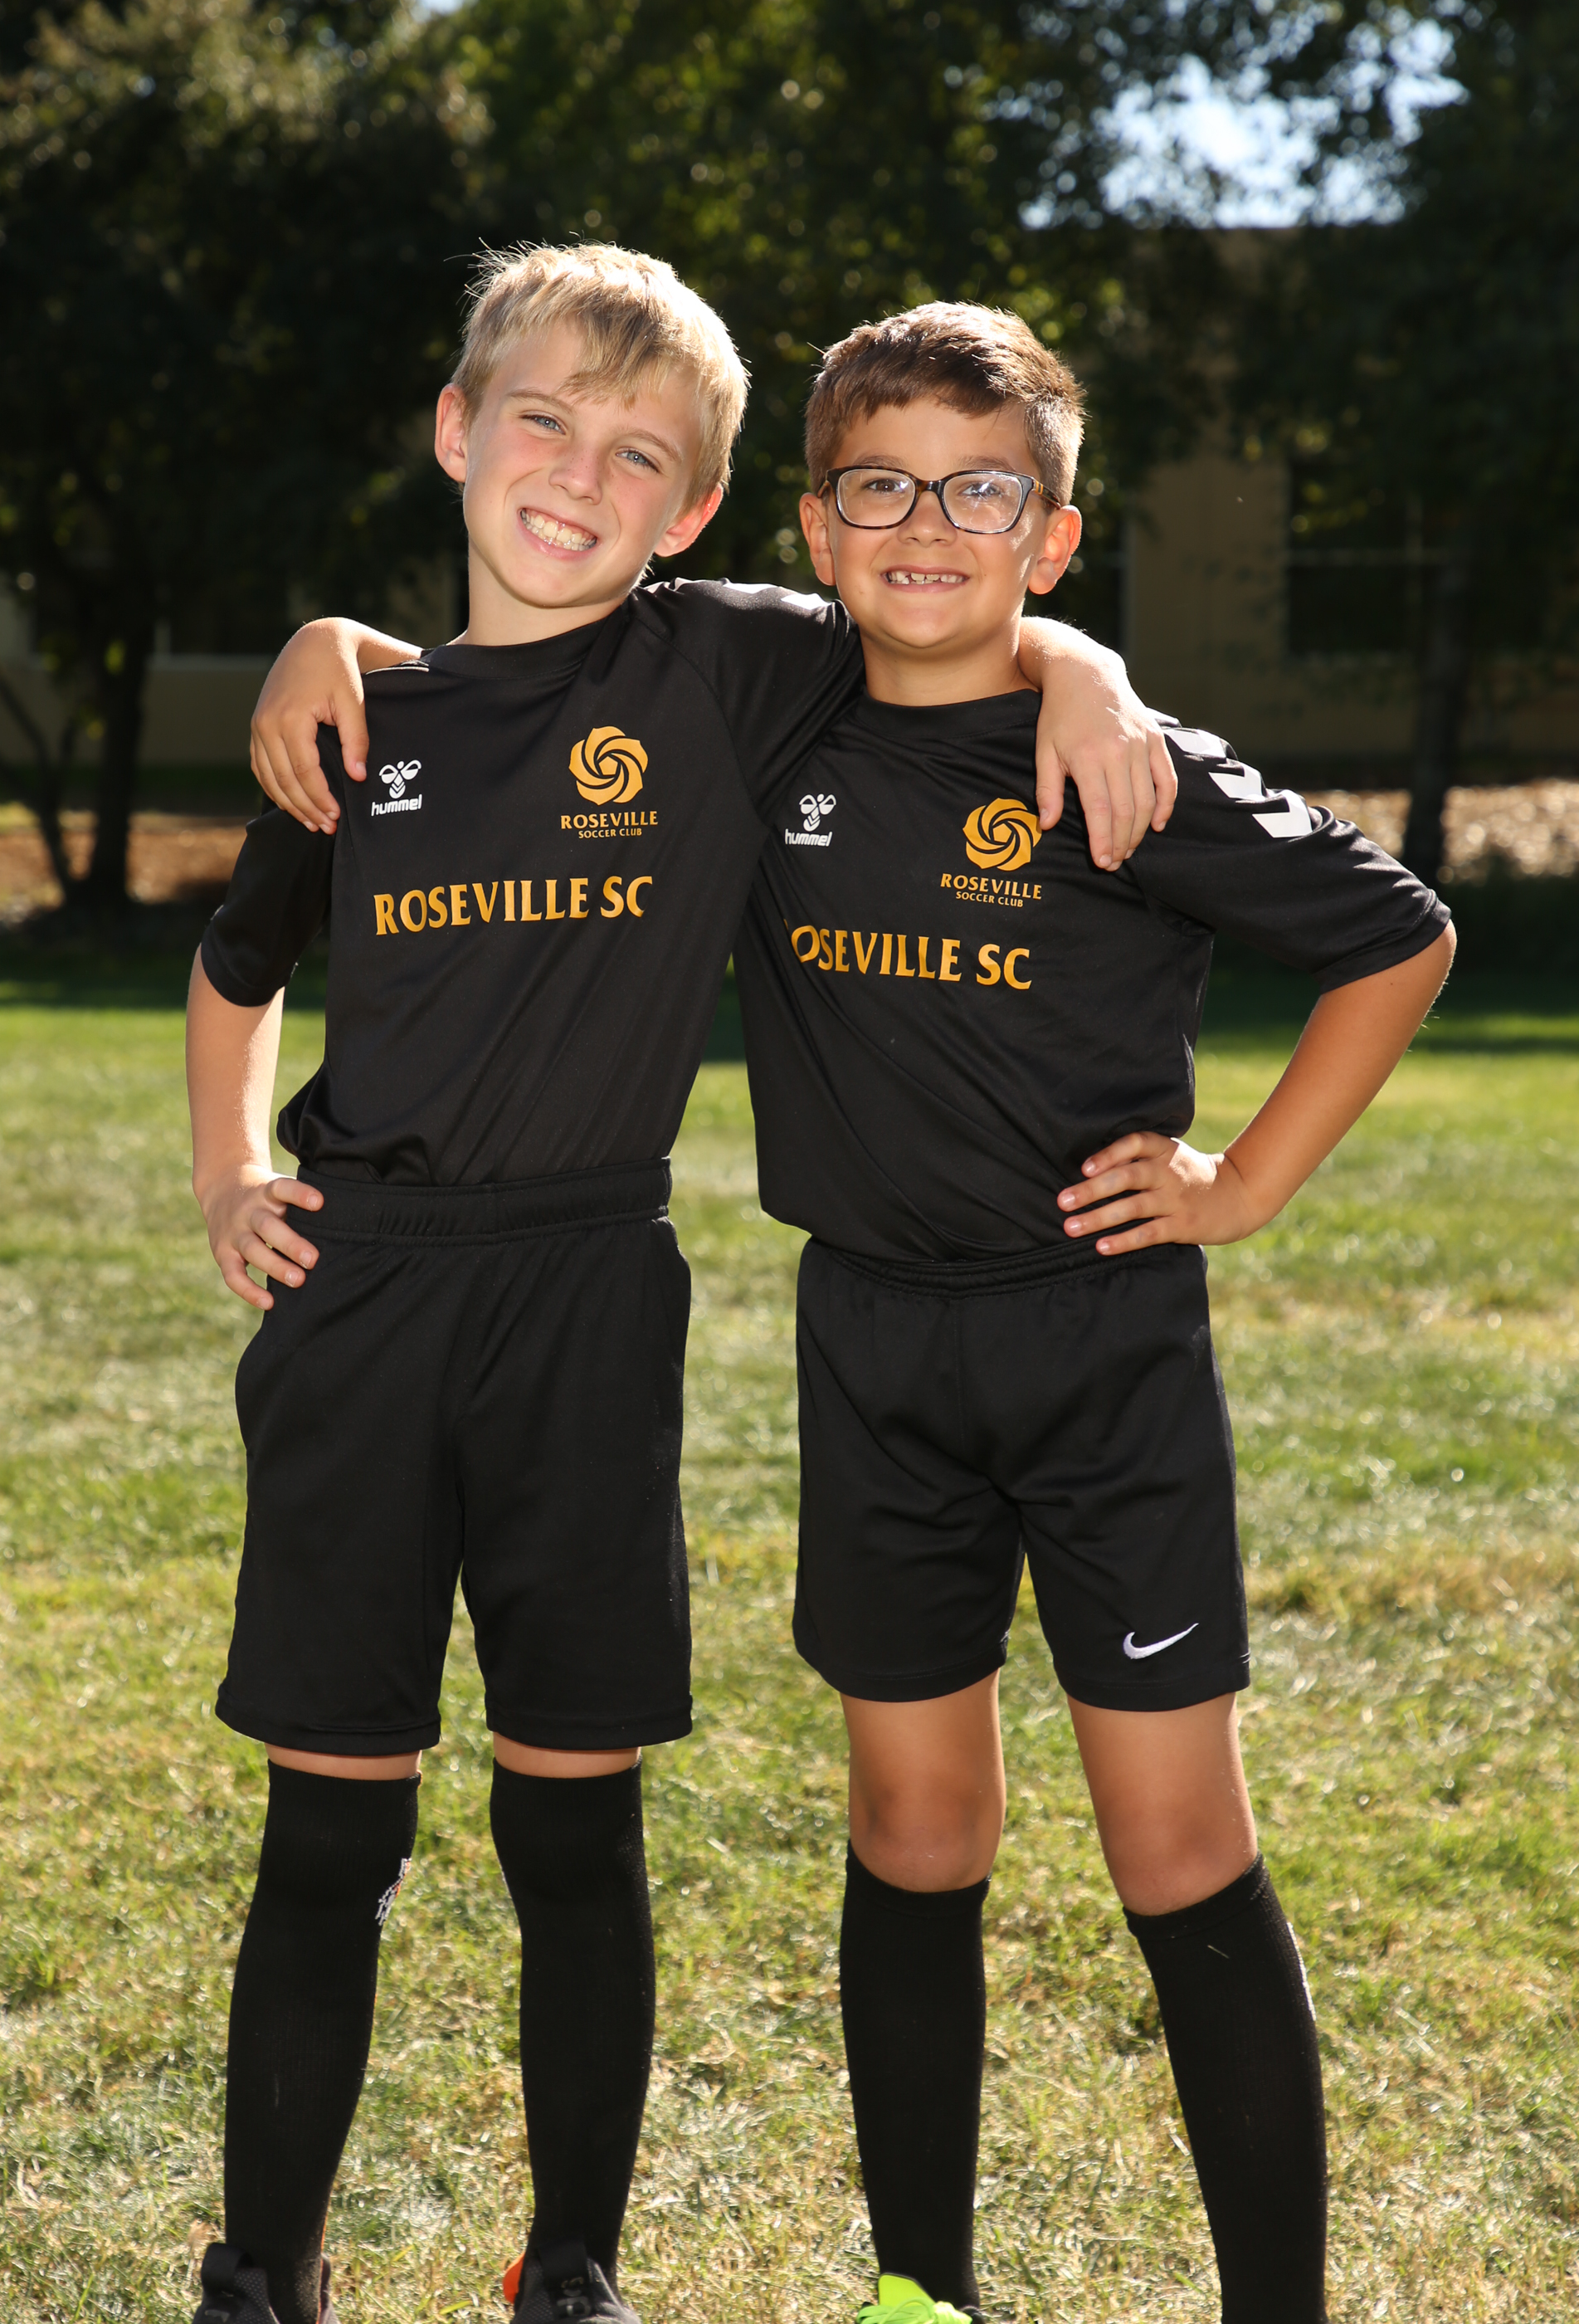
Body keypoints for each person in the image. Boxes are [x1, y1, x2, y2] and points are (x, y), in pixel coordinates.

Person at [188, 243, 1173, 2324]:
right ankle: (262, 2267)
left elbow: (942, 593)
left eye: (638, 453)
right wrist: (230, 1165)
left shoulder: (720, 671)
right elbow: (237, 959)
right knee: (329, 1830)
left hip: (586, 1303)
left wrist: (1083, 669)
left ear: (699, 505)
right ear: (457, 431)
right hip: (364, 1306)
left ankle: (574, 2265)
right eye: (539, 422)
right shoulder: (360, 714)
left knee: (574, 1820)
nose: (578, 474)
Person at [718, 305, 1452, 2322]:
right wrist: (330, 645)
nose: (924, 525)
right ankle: (918, 2294)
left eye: (982, 492)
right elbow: (568, 619)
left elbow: (1397, 938)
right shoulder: (759, 715)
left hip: (1100, 1349)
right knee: (912, 1822)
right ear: (815, 523)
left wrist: (1244, 1181)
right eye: (879, 486)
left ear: (1050, 536)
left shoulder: (1122, 764)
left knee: (1172, 1837)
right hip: (872, 1345)